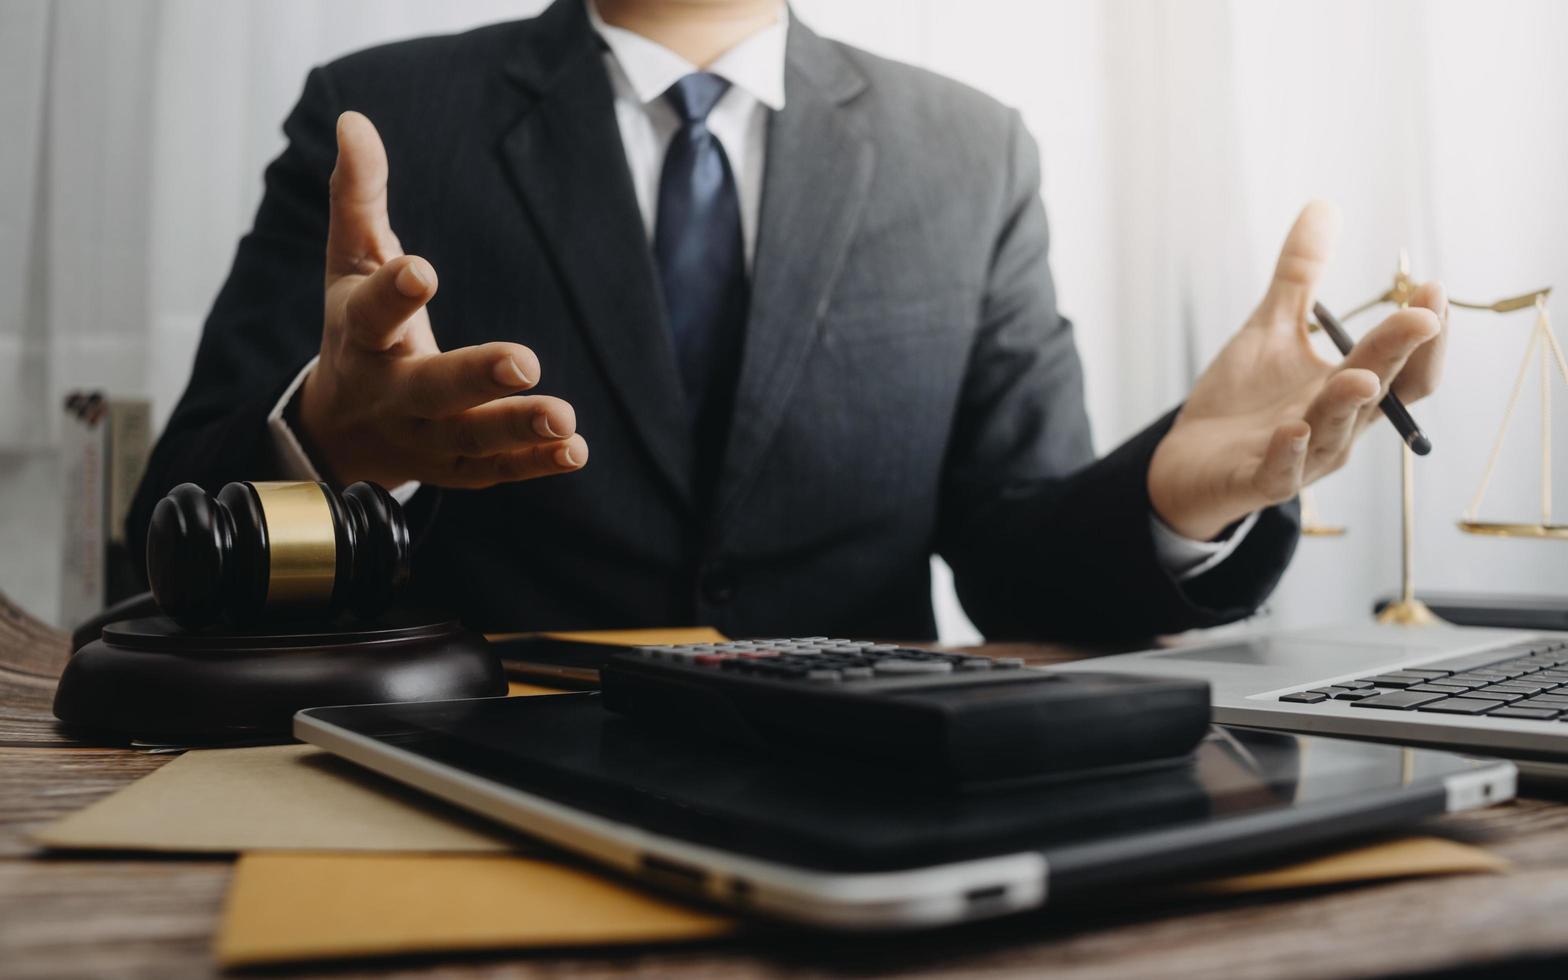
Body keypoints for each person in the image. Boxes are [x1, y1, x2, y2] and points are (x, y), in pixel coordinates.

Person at [128, 0, 1447, 641]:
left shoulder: (970, 152)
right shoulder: (383, 118)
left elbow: (1014, 565)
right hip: (463, 806)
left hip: (877, 822)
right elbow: (166, 536)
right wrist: (328, 449)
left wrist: (1171, 494)